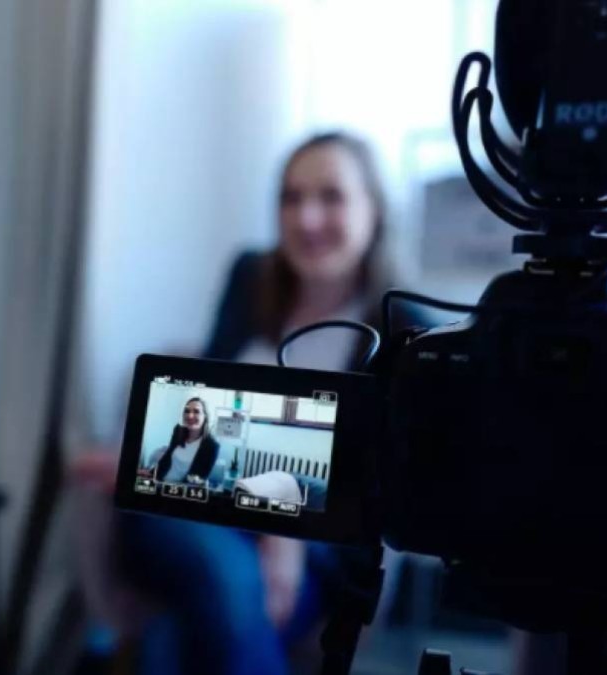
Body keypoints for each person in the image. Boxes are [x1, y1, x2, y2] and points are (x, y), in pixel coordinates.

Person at [117, 131, 411, 675]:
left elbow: (386, 488)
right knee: (226, 575)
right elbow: (197, 409)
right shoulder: (251, 277)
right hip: (194, 511)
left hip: (314, 552)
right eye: (291, 198)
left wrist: (286, 527)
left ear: (374, 209)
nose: (307, 218)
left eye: (331, 197)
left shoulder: (404, 326)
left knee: (172, 639)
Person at [140, 397, 220, 484]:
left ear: (205, 416)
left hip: (181, 488)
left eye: (196, 411)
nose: (190, 416)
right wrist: (151, 473)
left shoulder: (212, 446)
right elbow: (166, 458)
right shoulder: (178, 431)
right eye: (187, 411)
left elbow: (200, 478)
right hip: (160, 481)